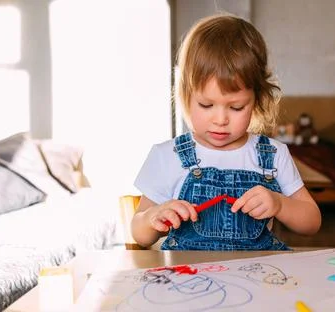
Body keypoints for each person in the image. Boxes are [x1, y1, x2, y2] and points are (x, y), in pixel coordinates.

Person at [132, 13, 321, 250]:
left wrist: (280, 205)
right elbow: (139, 233)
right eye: (206, 105)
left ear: (257, 100)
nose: (220, 120)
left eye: (236, 107)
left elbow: (312, 222)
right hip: (190, 280)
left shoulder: (273, 154)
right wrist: (153, 218)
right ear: (184, 96)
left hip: (257, 279)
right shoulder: (166, 156)